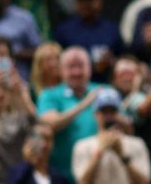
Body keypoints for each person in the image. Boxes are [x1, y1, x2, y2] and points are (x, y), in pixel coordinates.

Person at [36, 47, 102, 181]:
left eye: (81, 66)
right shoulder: (49, 95)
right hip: (63, 176)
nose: (76, 72)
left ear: (89, 68)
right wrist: (85, 102)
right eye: (71, 67)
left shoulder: (103, 90)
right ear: (61, 70)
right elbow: (51, 124)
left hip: (100, 174)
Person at [71, 88, 150, 184]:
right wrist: (99, 153)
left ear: (119, 113)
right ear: (96, 114)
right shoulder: (82, 145)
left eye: (112, 111)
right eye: (104, 111)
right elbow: (82, 181)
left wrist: (122, 156)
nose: (108, 116)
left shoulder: (137, 143)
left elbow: (145, 182)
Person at [0, 43, 36, 182]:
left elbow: (37, 125)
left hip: (21, 177)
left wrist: (21, 93)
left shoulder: (17, 116)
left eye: (3, 89)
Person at [53, 0, 123, 83]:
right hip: (72, 88)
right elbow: (56, 62)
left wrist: (111, 62)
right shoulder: (64, 30)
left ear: (99, 1)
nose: (85, 4)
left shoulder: (111, 30)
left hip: (104, 86)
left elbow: (123, 58)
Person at [7, 122, 71, 184]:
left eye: (48, 139)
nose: (43, 144)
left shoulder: (59, 178)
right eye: (39, 138)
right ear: (28, 141)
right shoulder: (17, 172)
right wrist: (27, 162)